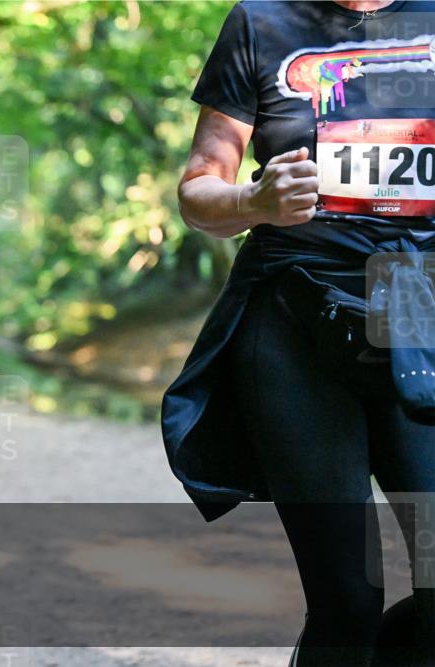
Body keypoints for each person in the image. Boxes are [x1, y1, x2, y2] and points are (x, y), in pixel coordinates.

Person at [162, 1, 434, 665]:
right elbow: (200, 188)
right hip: (294, 328)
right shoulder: (260, 22)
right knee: (348, 599)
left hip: (419, 326)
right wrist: (256, 203)